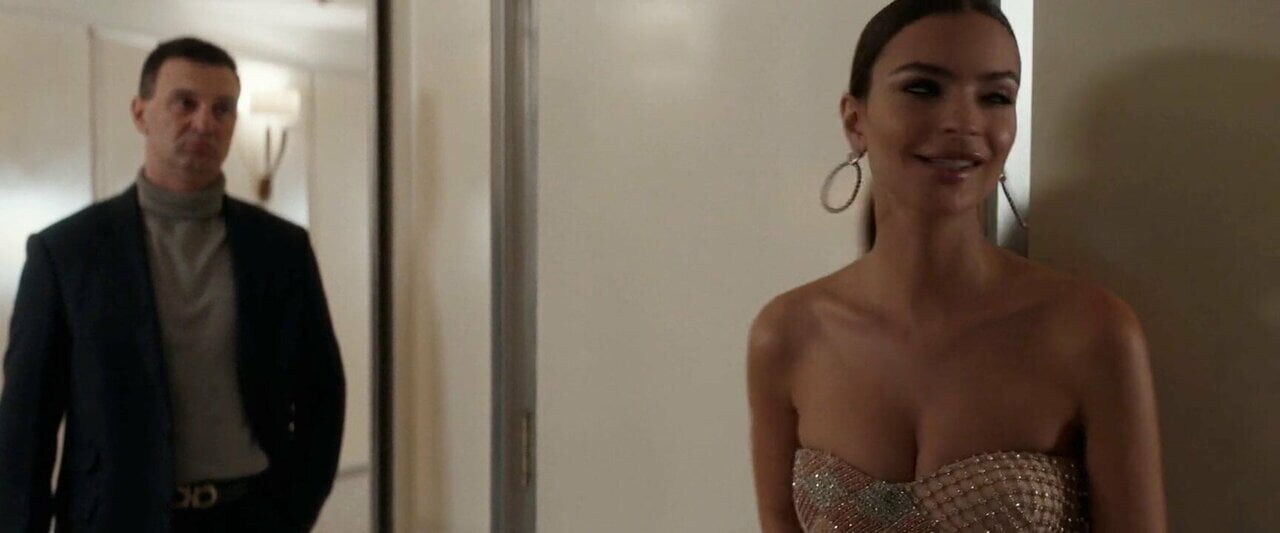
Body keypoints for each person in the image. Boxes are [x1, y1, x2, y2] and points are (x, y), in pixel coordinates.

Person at [747, 1, 1166, 531]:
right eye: (924, 88)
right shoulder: (788, 334)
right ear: (856, 121)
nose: (964, 122)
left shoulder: (1090, 331)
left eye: (995, 97)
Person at [0, 37, 345, 532]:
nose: (205, 122)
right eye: (185, 103)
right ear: (141, 114)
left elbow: (321, 394)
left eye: (222, 109)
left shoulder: (281, 249)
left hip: (249, 518)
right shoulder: (67, 253)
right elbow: (26, 429)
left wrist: (293, 512)